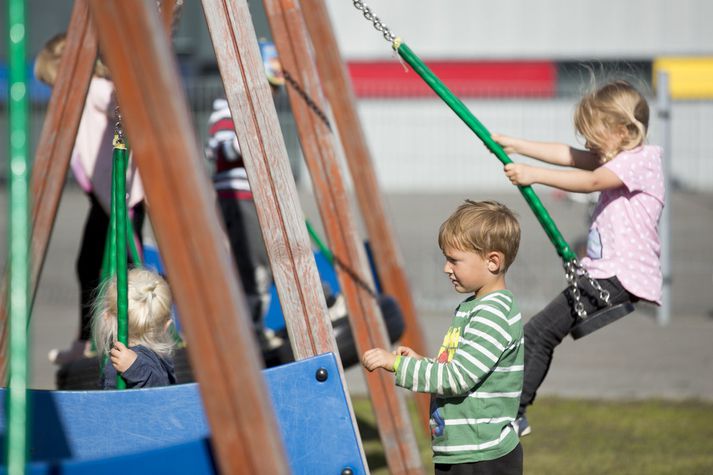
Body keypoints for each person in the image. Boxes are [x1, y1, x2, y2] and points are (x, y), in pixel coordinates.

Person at [493, 79, 664, 436]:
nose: (587, 143)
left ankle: (514, 413)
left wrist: (533, 175)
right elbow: (567, 155)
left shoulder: (640, 160)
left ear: (622, 131)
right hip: (603, 275)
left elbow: (590, 182)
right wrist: (514, 144)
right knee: (540, 333)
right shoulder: (619, 157)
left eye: (594, 134)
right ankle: (514, 410)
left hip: (617, 276)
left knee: (537, 334)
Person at [362, 200, 524, 475]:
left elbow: (456, 379)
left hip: (480, 456)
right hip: (463, 451)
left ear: (493, 261)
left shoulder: (491, 315)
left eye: (454, 260)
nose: (446, 268)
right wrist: (424, 362)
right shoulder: (474, 308)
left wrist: (398, 365)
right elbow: (460, 370)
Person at [36, 33, 145, 365]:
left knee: (120, 269)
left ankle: (128, 338)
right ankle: (90, 339)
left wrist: (123, 93)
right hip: (104, 198)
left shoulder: (94, 89)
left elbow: (123, 106)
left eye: (52, 81)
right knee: (92, 266)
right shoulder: (80, 97)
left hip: (121, 198)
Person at [205, 39, 284, 350]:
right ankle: (250, 327)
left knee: (268, 259)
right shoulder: (226, 111)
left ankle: (254, 324)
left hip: (253, 196)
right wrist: (246, 141)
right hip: (236, 198)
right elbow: (219, 146)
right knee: (252, 264)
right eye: (267, 90)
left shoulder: (254, 117)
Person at [92, 268, 177, 389]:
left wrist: (136, 369)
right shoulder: (162, 358)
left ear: (107, 317)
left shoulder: (124, 364)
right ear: (166, 326)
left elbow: (158, 391)